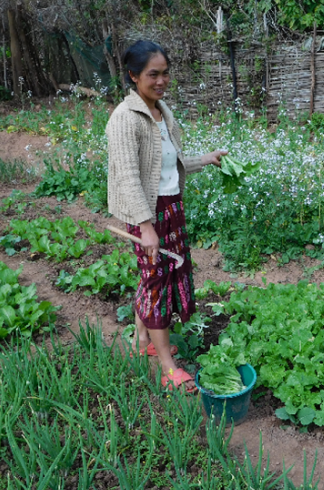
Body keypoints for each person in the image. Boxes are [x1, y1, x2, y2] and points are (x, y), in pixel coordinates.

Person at [106, 40, 227, 393]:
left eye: (165, 73)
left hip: (171, 207)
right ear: (133, 76)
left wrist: (206, 159)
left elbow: (166, 166)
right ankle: (167, 365)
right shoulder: (125, 119)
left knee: (159, 276)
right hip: (148, 213)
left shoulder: (162, 111)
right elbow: (129, 177)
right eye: (152, 74)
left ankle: (142, 340)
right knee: (156, 283)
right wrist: (146, 227)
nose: (161, 81)